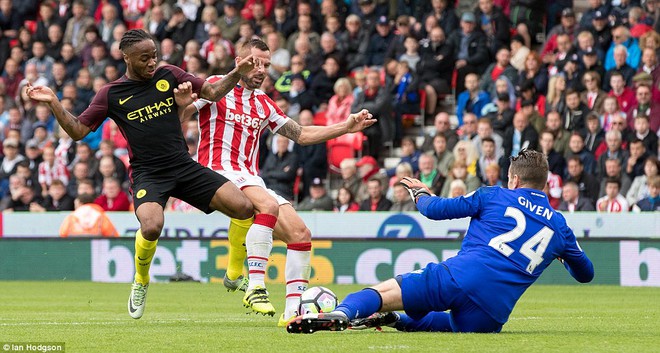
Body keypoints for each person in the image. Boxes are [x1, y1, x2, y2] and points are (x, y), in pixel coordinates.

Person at [26, 29, 257, 321]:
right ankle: (141, 280)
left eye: (154, 56)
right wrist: (52, 101)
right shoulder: (110, 94)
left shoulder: (169, 75)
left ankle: (234, 274)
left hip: (183, 166)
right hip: (149, 174)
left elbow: (211, 93)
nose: (151, 62)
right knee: (151, 226)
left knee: (244, 207)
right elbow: (77, 131)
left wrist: (237, 71)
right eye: (144, 58)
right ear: (127, 58)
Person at [287, 149, 594, 334]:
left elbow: (434, 210)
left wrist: (420, 192)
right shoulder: (559, 227)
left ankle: (341, 313)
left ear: (513, 178)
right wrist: (562, 254)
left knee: (382, 291)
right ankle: (395, 319)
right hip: (492, 312)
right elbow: (586, 273)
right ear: (545, 182)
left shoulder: (493, 194)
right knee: (453, 326)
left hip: (462, 276)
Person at [178, 38, 375, 325]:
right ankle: (256, 286)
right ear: (240, 62)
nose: (262, 70)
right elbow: (182, 115)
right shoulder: (216, 85)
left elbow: (303, 135)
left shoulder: (264, 103)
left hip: (249, 176)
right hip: (216, 171)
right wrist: (181, 104)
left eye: (267, 65)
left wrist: (346, 126)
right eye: (256, 63)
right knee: (268, 204)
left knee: (300, 233)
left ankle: (292, 313)